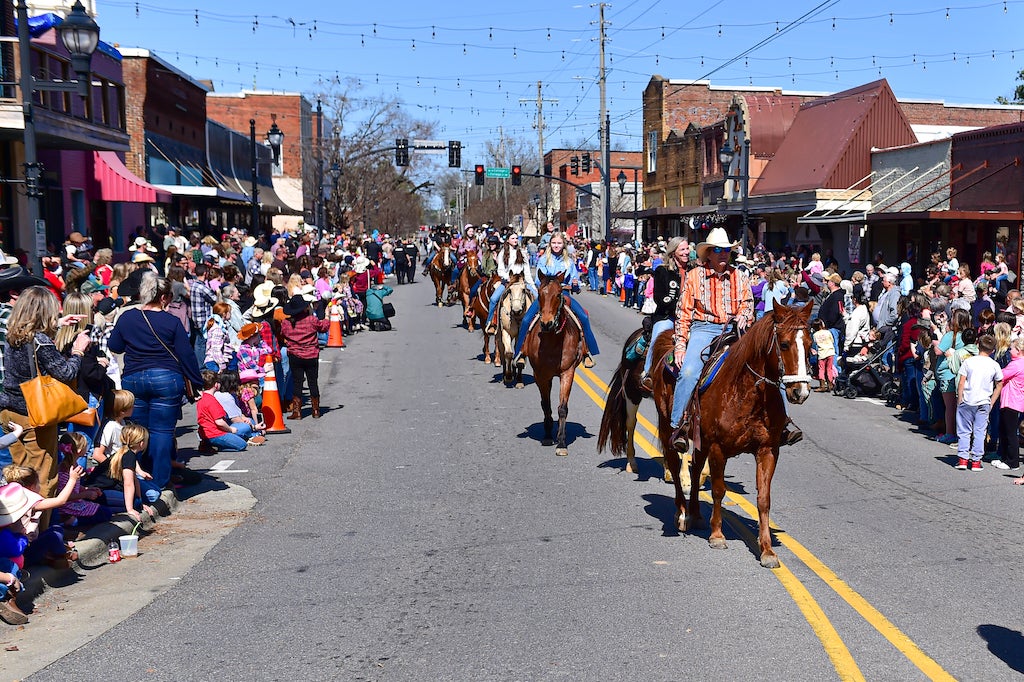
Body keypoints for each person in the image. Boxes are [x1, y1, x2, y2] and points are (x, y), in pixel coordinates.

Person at [668, 228, 800, 451]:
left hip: (734, 329)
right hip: (704, 329)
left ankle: (784, 422)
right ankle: (679, 425)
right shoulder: (694, 276)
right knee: (689, 372)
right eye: (718, 250)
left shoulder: (740, 275)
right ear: (708, 253)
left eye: (726, 250)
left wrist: (744, 315)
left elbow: (748, 302)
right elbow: (683, 313)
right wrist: (681, 346)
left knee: (768, 366)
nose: (722, 254)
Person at [0, 287, 89, 526]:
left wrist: (59, 324)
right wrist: (78, 350)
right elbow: (66, 371)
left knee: (19, 474)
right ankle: (40, 534)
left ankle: (16, 526)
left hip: (8, 410)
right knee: (43, 477)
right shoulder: (40, 341)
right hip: (35, 414)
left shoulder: (11, 334)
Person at [107, 274, 204, 489]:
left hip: (134, 377)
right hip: (166, 378)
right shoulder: (171, 321)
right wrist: (197, 382)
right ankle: (160, 481)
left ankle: (138, 479)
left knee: (138, 430)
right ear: (163, 297)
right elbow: (186, 354)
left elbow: (115, 346)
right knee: (162, 432)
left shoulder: (127, 317)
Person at [512, 232, 599, 369]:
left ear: (563, 244)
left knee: (583, 316)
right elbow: (538, 280)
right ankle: (521, 352)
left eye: (559, 243)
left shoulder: (569, 261)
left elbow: (574, 279)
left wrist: (575, 284)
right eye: (554, 243)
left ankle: (587, 351)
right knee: (527, 319)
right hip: (546, 295)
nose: (556, 245)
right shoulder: (543, 260)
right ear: (550, 244)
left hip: (563, 293)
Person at [85, 423, 159, 520]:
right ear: (141, 443)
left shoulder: (126, 452)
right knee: (134, 503)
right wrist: (130, 509)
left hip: (105, 488)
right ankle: (95, 508)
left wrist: (140, 502)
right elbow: (129, 484)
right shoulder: (128, 456)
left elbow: (134, 479)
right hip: (97, 491)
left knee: (137, 502)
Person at [640, 237, 687, 392]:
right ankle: (648, 374)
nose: (686, 252)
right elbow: (660, 298)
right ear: (673, 252)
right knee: (658, 336)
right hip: (667, 316)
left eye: (687, 249)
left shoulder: (694, 270)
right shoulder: (663, 270)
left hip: (690, 318)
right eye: (682, 250)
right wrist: (679, 306)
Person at [954, 334, 1002, 471]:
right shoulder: (994, 365)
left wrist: (959, 398)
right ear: (993, 350)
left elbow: (962, 381)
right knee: (980, 431)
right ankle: (976, 461)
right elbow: (1000, 383)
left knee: (964, 431)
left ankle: (963, 459)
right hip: (984, 401)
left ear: (977, 346)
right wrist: (992, 401)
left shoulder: (969, 362)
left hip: (967, 399)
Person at [279, 295, 330, 419]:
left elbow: (283, 334)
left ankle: (297, 412)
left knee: (297, 383)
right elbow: (324, 327)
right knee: (313, 382)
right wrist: (327, 316)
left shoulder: (286, 323)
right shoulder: (311, 320)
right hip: (311, 354)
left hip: (295, 355)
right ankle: (316, 410)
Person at [484, 232, 537, 335]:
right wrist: (507, 278)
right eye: (513, 238)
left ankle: (537, 323)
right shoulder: (503, 253)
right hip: (508, 281)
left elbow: (527, 271)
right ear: (507, 240)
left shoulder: (522, 252)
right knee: (494, 299)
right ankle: (491, 322)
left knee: (538, 297)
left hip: (521, 281)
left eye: (516, 238)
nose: (515, 240)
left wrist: (533, 286)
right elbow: (500, 270)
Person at [812, 319, 837, 392]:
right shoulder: (828, 332)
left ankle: (822, 385)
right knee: (829, 369)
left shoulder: (815, 335)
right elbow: (832, 340)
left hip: (822, 353)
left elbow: (815, 343)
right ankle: (830, 384)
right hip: (830, 352)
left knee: (821, 369)